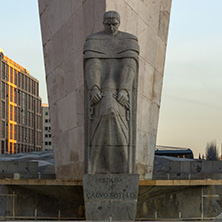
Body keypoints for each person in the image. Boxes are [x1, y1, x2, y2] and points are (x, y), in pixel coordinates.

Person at [84, 11, 139, 174]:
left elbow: (129, 66)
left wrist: (124, 89)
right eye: (108, 24)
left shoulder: (128, 40)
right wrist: (94, 87)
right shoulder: (94, 40)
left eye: (114, 23)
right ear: (103, 23)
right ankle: (95, 165)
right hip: (102, 92)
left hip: (120, 92)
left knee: (114, 114)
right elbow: (93, 66)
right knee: (107, 110)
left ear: (119, 22)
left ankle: (123, 165)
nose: (112, 27)